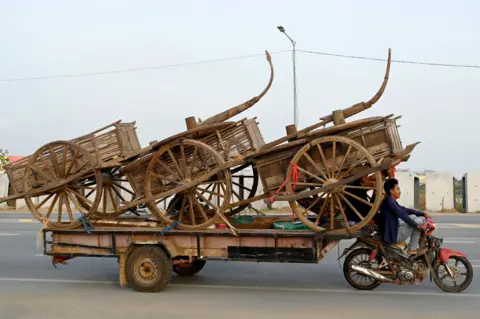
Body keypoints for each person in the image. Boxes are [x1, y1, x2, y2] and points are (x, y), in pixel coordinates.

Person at [378, 178, 430, 254]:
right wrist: (416, 226)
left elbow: (405, 210)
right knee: (418, 222)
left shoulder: (390, 201)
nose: (400, 191)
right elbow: (401, 214)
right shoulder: (389, 202)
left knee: (415, 217)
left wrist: (422, 213)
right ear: (391, 191)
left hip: (394, 230)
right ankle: (412, 248)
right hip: (393, 236)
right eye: (397, 189)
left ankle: (415, 242)